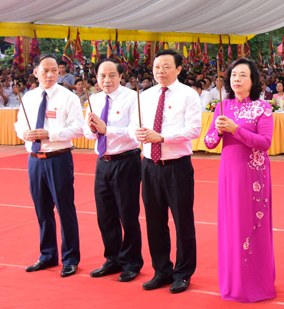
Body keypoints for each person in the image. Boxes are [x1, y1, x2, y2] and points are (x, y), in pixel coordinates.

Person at [203, 58, 276, 302]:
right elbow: (209, 142)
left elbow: (265, 144)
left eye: (243, 75)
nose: (237, 79)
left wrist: (236, 130)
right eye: (234, 75)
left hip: (254, 174)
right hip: (229, 173)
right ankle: (234, 282)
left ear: (253, 81)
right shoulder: (222, 106)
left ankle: (256, 281)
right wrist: (218, 131)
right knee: (231, 225)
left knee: (251, 224)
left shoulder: (263, 108)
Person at [133, 50, 201, 293]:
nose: (159, 71)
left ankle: (183, 272)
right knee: (154, 221)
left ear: (179, 69)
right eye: (156, 67)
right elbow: (134, 125)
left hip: (177, 166)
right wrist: (138, 134)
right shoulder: (145, 95)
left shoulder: (188, 95)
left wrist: (162, 137)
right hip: (150, 165)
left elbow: (194, 130)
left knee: (183, 221)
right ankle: (161, 270)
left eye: (166, 67)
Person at [14, 53, 84, 277]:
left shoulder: (68, 97)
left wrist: (50, 134)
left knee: (65, 209)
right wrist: (24, 133)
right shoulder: (29, 97)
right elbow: (19, 124)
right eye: (45, 70)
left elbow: (78, 129)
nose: (50, 74)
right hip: (34, 160)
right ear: (35, 73)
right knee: (42, 210)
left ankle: (70, 257)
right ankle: (47, 255)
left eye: (55, 70)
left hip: (58, 157)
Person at [83, 59, 143, 282]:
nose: (106, 80)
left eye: (111, 75)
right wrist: (91, 129)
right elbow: (88, 133)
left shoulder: (131, 98)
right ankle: (113, 258)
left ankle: (132, 261)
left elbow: (135, 130)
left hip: (126, 160)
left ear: (120, 76)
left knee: (127, 214)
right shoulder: (95, 99)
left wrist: (107, 129)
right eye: (101, 76)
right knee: (105, 214)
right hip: (102, 161)